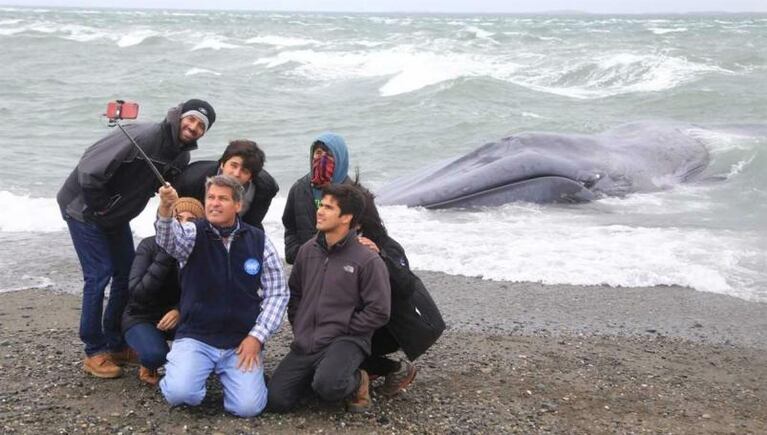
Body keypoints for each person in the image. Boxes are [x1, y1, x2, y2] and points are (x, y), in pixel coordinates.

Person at [57, 98, 216, 379]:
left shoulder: (181, 156)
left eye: (201, 125)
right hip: (83, 208)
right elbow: (89, 169)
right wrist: (102, 206)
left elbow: (162, 186)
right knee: (99, 275)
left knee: (125, 274)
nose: (193, 127)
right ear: (179, 117)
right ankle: (94, 350)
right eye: (190, 119)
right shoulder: (143, 136)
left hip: (114, 216)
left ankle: (116, 342)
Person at [155, 175, 288, 418]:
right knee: (181, 394)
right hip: (196, 336)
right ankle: (179, 371)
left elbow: (278, 293)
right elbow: (169, 241)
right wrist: (165, 208)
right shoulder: (192, 233)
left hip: (241, 341)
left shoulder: (259, 241)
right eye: (211, 198)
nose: (214, 203)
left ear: (238, 205)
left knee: (248, 408)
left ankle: (231, 377)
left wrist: (256, 338)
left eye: (223, 199)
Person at [268, 184, 391, 413]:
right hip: (308, 340)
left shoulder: (367, 259)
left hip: (346, 340)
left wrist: (345, 327)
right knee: (276, 401)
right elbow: (294, 294)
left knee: (329, 386)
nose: (320, 211)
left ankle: (358, 380)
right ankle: (318, 375)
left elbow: (379, 310)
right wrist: (300, 324)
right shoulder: (307, 251)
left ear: (346, 217)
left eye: (328, 207)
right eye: (320, 205)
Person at [353, 184, 445, 396]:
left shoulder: (386, 246)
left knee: (346, 346)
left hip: (399, 327)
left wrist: (380, 257)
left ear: (358, 220)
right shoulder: (344, 243)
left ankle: (395, 368)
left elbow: (405, 286)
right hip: (374, 321)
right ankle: (368, 366)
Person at [121, 197, 205, 386]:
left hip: (182, 316)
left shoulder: (202, 251)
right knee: (155, 356)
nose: (183, 224)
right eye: (178, 218)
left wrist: (179, 310)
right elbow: (137, 293)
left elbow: (206, 293)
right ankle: (146, 358)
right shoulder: (149, 245)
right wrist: (167, 254)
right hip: (142, 315)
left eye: (191, 220)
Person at [175, 139, 278, 231]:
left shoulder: (265, 188)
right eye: (233, 166)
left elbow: (253, 224)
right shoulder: (192, 179)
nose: (236, 173)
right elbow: (171, 214)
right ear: (222, 164)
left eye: (244, 171)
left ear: (251, 177)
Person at [282, 132, 351, 264]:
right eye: (318, 153)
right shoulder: (299, 188)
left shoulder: (354, 192)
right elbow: (289, 225)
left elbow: (372, 231)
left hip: (343, 265)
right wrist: (295, 252)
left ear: (340, 158)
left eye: (329, 155)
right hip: (307, 262)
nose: (322, 159)